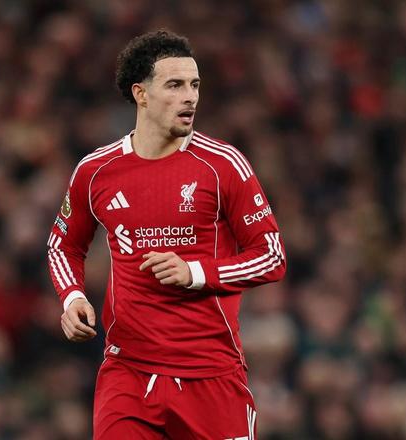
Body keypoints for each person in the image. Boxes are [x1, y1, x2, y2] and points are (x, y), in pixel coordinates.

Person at [46, 29, 286, 439]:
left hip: (210, 374)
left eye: (195, 85)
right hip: (129, 373)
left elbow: (271, 256)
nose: (190, 97)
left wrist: (195, 272)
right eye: (175, 85)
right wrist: (72, 297)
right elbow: (63, 245)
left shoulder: (223, 165)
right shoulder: (96, 171)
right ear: (141, 94)